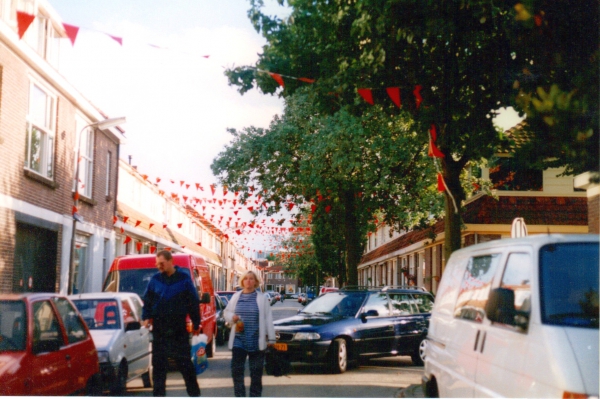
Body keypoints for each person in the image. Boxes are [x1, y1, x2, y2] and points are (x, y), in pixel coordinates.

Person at [142, 250, 201, 397]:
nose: (159, 266)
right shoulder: (155, 280)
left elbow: (193, 302)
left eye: (161, 263)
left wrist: (196, 323)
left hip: (178, 329)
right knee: (159, 370)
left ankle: (194, 394)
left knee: (186, 366)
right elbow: (148, 301)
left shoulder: (184, 279)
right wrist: (146, 317)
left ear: (170, 261)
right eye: (157, 264)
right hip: (160, 329)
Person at [224, 271, 276, 397]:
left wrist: (272, 339)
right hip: (239, 340)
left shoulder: (261, 299)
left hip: (256, 341)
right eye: (246, 279)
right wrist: (232, 317)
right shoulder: (236, 297)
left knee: (256, 374)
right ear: (242, 281)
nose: (248, 281)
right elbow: (226, 313)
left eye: (251, 279)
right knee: (236, 372)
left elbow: (268, 318)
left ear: (256, 282)